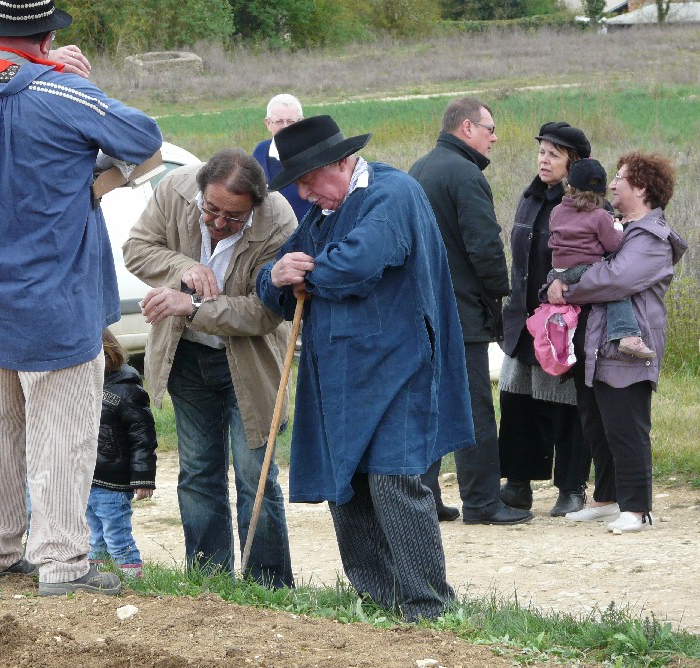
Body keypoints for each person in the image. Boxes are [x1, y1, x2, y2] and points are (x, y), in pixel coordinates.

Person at [0, 0, 162, 596]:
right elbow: (143, 139)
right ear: (48, 34)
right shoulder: (65, 93)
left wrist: (26, 58)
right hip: (54, 303)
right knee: (62, 435)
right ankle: (62, 565)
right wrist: (95, 183)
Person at [256, 115, 474, 620]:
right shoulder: (319, 216)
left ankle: (429, 604)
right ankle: (380, 599)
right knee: (346, 484)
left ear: (338, 161)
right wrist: (278, 273)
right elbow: (274, 285)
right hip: (338, 377)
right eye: (298, 186)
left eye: (309, 181)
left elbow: (361, 261)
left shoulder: (392, 192)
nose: (306, 195)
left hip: (400, 367)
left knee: (394, 479)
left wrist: (307, 274)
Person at [123, 149, 296, 588]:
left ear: (254, 208)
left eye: (233, 218)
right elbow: (137, 249)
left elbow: (264, 312)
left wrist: (194, 305)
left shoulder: (279, 221)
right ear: (200, 191)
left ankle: (268, 584)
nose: (218, 224)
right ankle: (209, 581)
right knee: (199, 473)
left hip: (251, 365)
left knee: (256, 476)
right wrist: (184, 268)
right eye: (211, 210)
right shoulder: (175, 190)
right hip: (186, 358)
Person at [548, 152, 686, 533]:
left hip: (629, 349)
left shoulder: (652, 238)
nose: (611, 185)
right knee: (598, 427)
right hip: (596, 346)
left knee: (627, 428)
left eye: (620, 178)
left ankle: (637, 508)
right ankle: (608, 500)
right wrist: (555, 282)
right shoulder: (615, 228)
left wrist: (566, 286)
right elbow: (581, 263)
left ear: (640, 187)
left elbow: (615, 279)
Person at [409, 97, 532, 526]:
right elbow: (484, 246)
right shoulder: (465, 175)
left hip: (422, 312)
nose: (494, 138)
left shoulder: (419, 170)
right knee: (474, 406)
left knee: (431, 405)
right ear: (466, 128)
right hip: (462, 313)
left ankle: (422, 499)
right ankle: (481, 501)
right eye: (489, 129)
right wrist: (503, 296)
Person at [497, 122, 593, 517]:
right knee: (516, 399)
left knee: (564, 404)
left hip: (562, 322)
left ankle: (571, 488)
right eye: (541, 152)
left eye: (554, 154)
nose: (544, 159)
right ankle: (518, 484)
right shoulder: (530, 196)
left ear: (574, 162)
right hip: (522, 319)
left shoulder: (587, 205)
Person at [549, 158, 654, 359]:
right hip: (582, 269)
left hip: (559, 271)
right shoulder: (599, 216)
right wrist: (617, 227)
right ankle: (626, 336)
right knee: (615, 289)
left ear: (569, 186)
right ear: (602, 191)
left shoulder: (556, 211)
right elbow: (613, 245)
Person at [87, 329, 157, 580]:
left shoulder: (127, 390)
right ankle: (98, 577)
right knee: (93, 536)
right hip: (88, 479)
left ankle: (132, 581)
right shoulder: (82, 386)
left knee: (117, 537)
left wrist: (143, 478)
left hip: (113, 484)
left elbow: (142, 438)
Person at [253, 94, 310, 221]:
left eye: (291, 121)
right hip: (271, 232)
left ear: (301, 122)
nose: (285, 127)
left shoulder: (313, 152)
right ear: (268, 123)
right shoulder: (260, 152)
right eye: (279, 121)